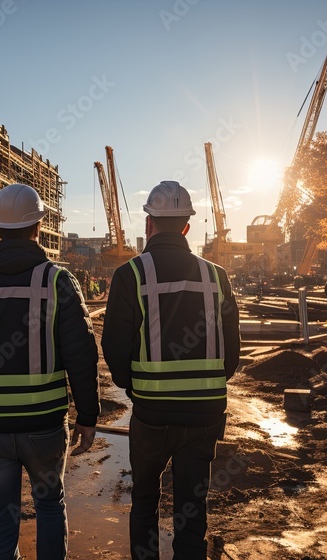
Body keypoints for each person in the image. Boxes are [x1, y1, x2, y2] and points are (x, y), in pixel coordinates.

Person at [0, 183, 100, 560]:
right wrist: (87, 416)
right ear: (38, 227)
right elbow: (81, 355)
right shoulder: (57, 281)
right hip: (42, 424)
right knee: (48, 506)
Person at [102, 180, 241, 560]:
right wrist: (206, 384)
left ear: (149, 223)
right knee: (192, 508)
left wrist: (138, 387)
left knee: (145, 501)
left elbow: (114, 348)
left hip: (153, 414)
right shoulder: (217, 277)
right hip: (205, 414)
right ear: (187, 227)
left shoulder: (131, 275)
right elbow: (232, 355)